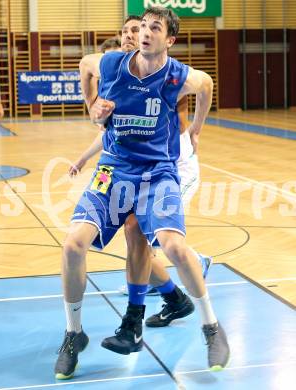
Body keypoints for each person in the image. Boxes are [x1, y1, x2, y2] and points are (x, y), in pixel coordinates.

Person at [55, 8, 230, 380]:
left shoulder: (177, 75)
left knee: (172, 246)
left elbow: (207, 84)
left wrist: (197, 129)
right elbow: (85, 66)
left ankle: (211, 327)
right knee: (72, 246)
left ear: (169, 39)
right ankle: (74, 334)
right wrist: (91, 108)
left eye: (154, 28)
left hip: (157, 172)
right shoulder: (113, 64)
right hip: (113, 169)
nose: (143, 33)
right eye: (141, 27)